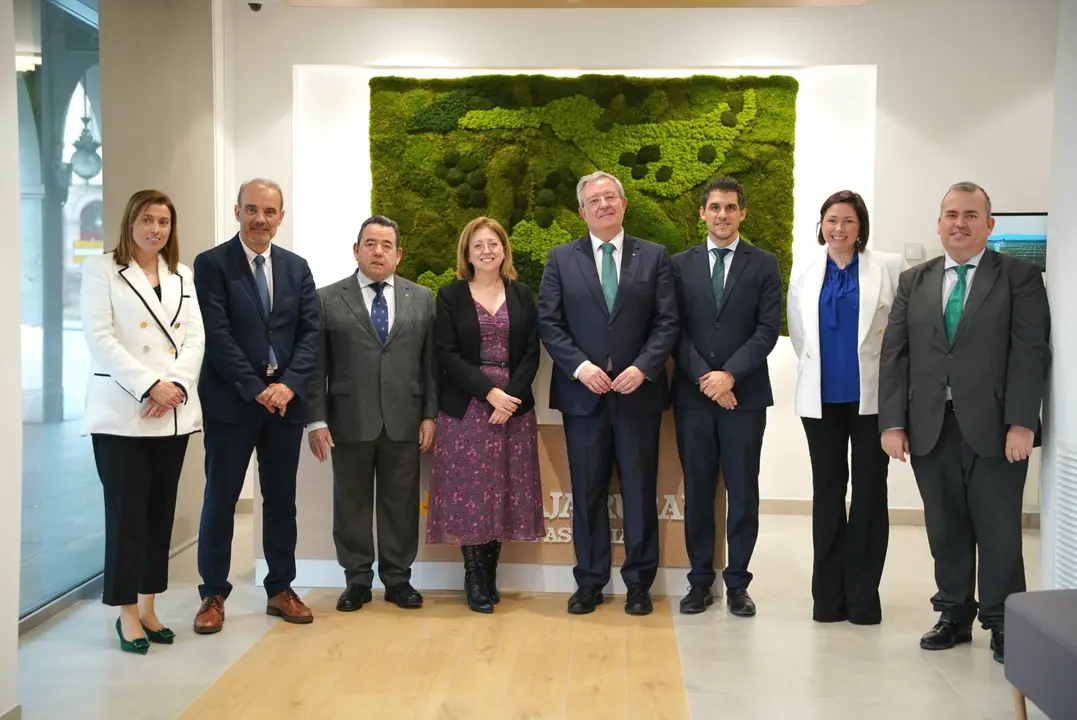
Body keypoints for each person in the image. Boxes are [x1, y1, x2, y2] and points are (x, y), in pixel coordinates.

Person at [879, 182, 1050, 664]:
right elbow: (896, 355)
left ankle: (1001, 621)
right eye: (951, 214)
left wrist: (1022, 422)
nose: (960, 223)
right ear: (938, 223)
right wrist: (892, 422)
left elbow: (1030, 352)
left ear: (989, 225)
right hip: (930, 424)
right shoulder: (916, 280)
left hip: (996, 427)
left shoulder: (1019, 277)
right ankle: (953, 613)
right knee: (945, 526)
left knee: (998, 527)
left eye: (971, 215)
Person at [537, 170, 679, 616]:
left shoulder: (655, 257)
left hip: (638, 394)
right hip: (584, 396)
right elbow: (549, 322)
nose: (603, 204)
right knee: (588, 490)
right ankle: (590, 581)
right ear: (582, 211)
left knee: (639, 491)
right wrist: (580, 367)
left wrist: (643, 367)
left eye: (610, 197)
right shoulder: (561, 259)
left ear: (624, 204)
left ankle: (639, 583)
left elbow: (667, 322)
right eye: (594, 200)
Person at [192, 179, 321, 633]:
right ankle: (212, 593)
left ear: (281, 216)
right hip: (232, 404)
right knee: (220, 499)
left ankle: (280, 588)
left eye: (269, 211)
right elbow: (217, 335)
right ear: (237, 211)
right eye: (251, 209)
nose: (260, 219)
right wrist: (255, 387)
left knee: (281, 501)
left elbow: (309, 334)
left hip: (284, 406)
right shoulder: (211, 264)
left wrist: (286, 385)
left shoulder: (297, 268)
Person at [80, 189, 205, 654]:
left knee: (159, 516)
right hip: (122, 415)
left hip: (171, 415)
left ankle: (150, 606)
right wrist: (150, 385)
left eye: (164, 222)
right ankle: (126, 613)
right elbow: (100, 339)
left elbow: (194, 339)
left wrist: (173, 387)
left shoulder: (182, 275)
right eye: (148, 220)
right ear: (130, 222)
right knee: (126, 517)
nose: (156, 229)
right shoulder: (101, 270)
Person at [306, 216, 437, 612]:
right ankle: (357, 580)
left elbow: (429, 364)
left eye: (386, 245)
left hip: (406, 417)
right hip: (349, 417)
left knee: (401, 502)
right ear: (356, 250)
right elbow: (316, 366)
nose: (377, 251)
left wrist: (430, 415)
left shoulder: (422, 298)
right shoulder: (327, 298)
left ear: (399, 254)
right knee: (352, 502)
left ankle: (398, 580)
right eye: (369, 243)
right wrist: (316, 419)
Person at [787, 190, 905, 625]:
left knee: (871, 493)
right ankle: (829, 598)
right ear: (821, 224)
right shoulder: (806, 268)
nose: (839, 228)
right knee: (828, 493)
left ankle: (862, 597)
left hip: (873, 398)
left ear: (861, 227)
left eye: (848, 221)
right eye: (831, 220)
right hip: (821, 399)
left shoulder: (888, 267)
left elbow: (897, 337)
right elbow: (800, 336)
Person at [670, 176, 781, 617]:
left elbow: (767, 329)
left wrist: (730, 375)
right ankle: (700, 581)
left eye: (730, 207)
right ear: (702, 213)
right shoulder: (680, 264)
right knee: (698, 492)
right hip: (695, 398)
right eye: (714, 207)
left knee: (743, 491)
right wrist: (706, 378)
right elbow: (672, 327)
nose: (722, 214)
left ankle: (738, 583)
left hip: (745, 397)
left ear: (742, 213)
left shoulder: (764, 263)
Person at [427, 216, 544, 614]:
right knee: (471, 495)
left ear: (504, 250)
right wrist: (489, 392)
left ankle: (489, 575)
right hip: (467, 408)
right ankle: (474, 578)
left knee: (502, 492)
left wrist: (509, 396)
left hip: (513, 409)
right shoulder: (450, 295)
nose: (487, 250)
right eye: (478, 245)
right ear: (467, 253)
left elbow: (532, 351)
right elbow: (447, 354)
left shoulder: (523, 294)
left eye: (493, 243)